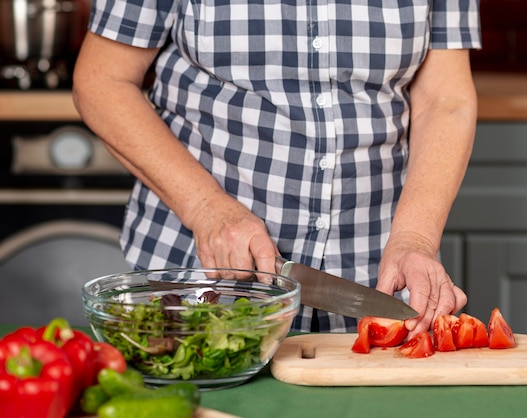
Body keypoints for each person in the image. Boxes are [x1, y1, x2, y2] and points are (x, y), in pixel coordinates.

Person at [72, 0, 481, 335]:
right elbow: (103, 80)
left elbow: (445, 100)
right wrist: (205, 208)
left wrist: (415, 238)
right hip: (203, 275)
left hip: (377, 276)